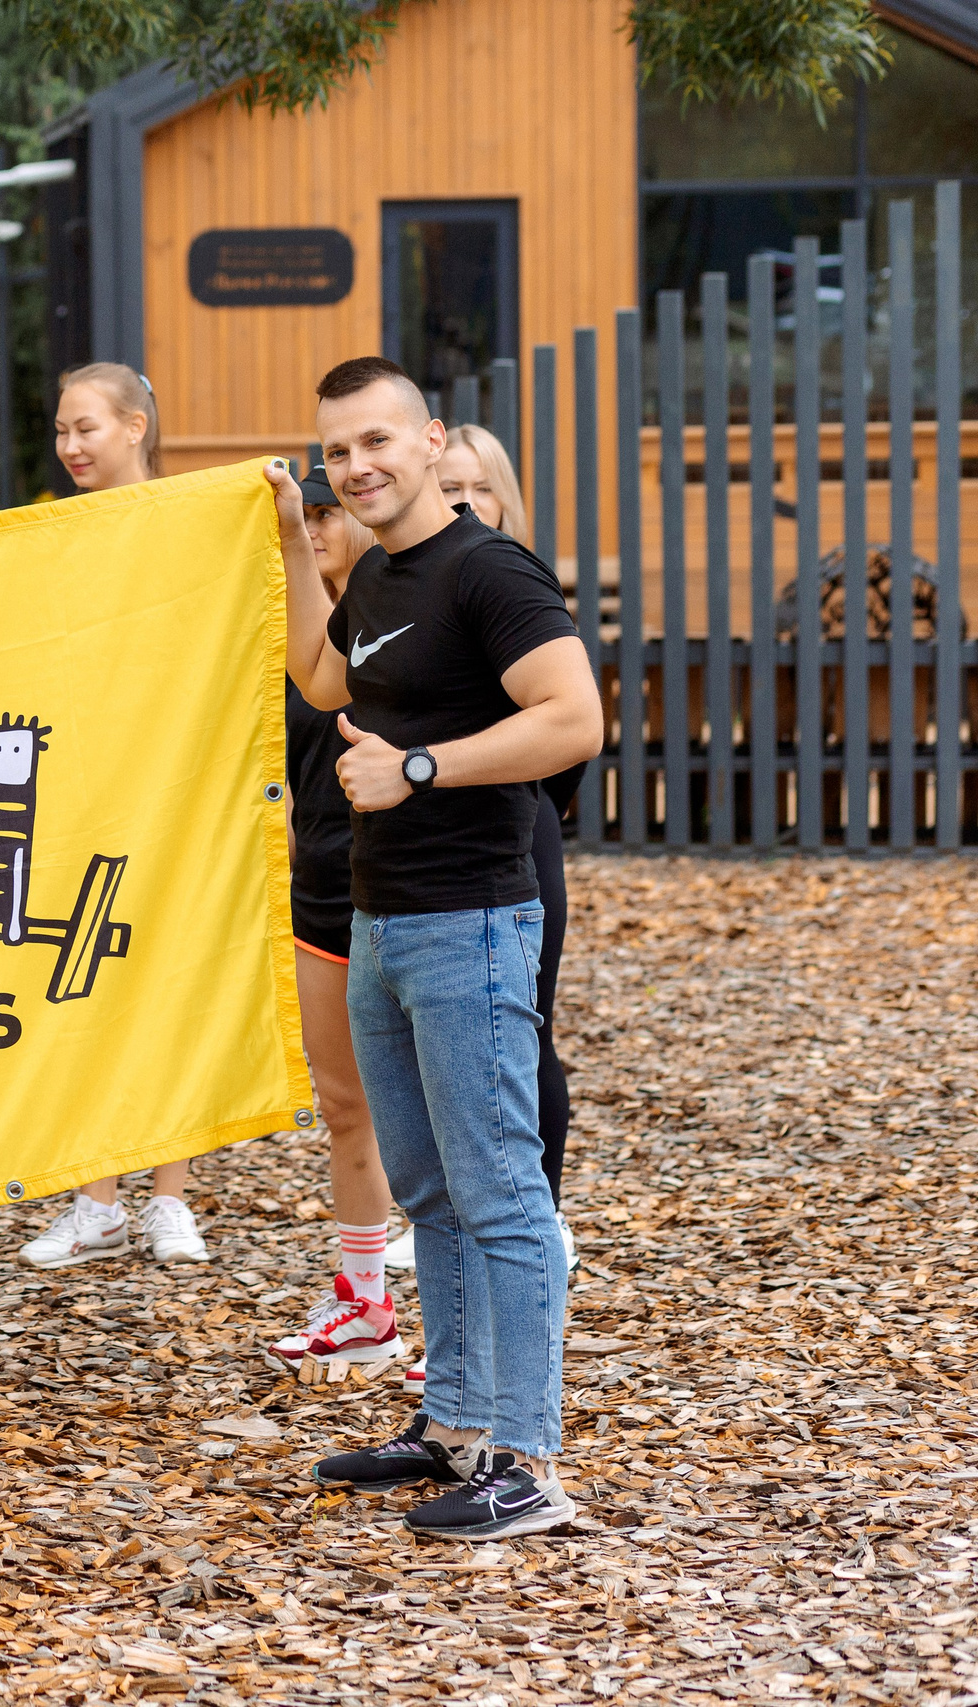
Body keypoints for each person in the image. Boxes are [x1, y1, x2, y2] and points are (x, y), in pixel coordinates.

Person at [283, 357, 602, 1541]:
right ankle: (456, 1422)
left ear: (428, 444)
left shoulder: (486, 570)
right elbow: (320, 678)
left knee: (499, 1190)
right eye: (336, 453)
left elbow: (574, 718)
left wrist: (418, 767)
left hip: (470, 917)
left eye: (376, 442)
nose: (356, 466)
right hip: (382, 921)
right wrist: (284, 532)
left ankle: (527, 1459)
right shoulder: (376, 573)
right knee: (428, 1191)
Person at [18, 361, 208, 1268]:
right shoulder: (54, 535)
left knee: (166, 987)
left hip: (167, 785)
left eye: (86, 427)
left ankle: (170, 1197)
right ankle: (95, 1196)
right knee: (82, 979)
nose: (70, 446)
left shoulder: (188, 524)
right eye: (61, 431)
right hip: (77, 787)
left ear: (137, 427)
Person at [425, 424, 580, 1278]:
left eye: (474, 487)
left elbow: (573, 727)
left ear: (501, 498)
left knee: (524, 1030)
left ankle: (541, 1219)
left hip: (517, 831)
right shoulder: (409, 585)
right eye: (444, 484)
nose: (458, 501)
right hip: (425, 852)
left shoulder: (509, 580)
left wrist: (534, 802)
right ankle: (458, 1224)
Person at [268, 465, 403, 1372]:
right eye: (303, 514)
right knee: (345, 1102)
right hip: (320, 882)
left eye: (327, 512)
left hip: (414, 885)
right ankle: (366, 1305)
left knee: (435, 1114)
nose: (316, 527)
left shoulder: (403, 610)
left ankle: (475, 1329)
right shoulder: (281, 626)